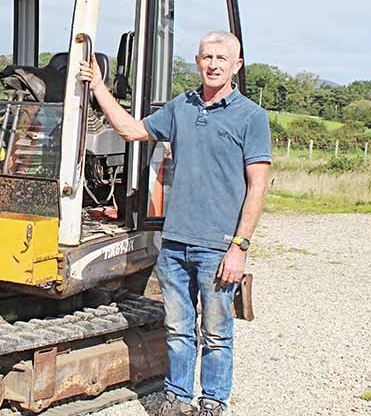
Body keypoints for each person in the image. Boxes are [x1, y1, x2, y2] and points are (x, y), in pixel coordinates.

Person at [79, 31, 271, 416]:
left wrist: (240, 247)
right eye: (206, 57)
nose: (213, 64)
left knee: (216, 335)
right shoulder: (182, 107)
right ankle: (177, 398)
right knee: (179, 330)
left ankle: (213, 402)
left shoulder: (252, 117)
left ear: (237, 65)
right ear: (198, 62)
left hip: (218, 246)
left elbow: (258, 186)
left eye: (221, 58)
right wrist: (98, 86)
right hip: (175, 244)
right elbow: (132, 130)